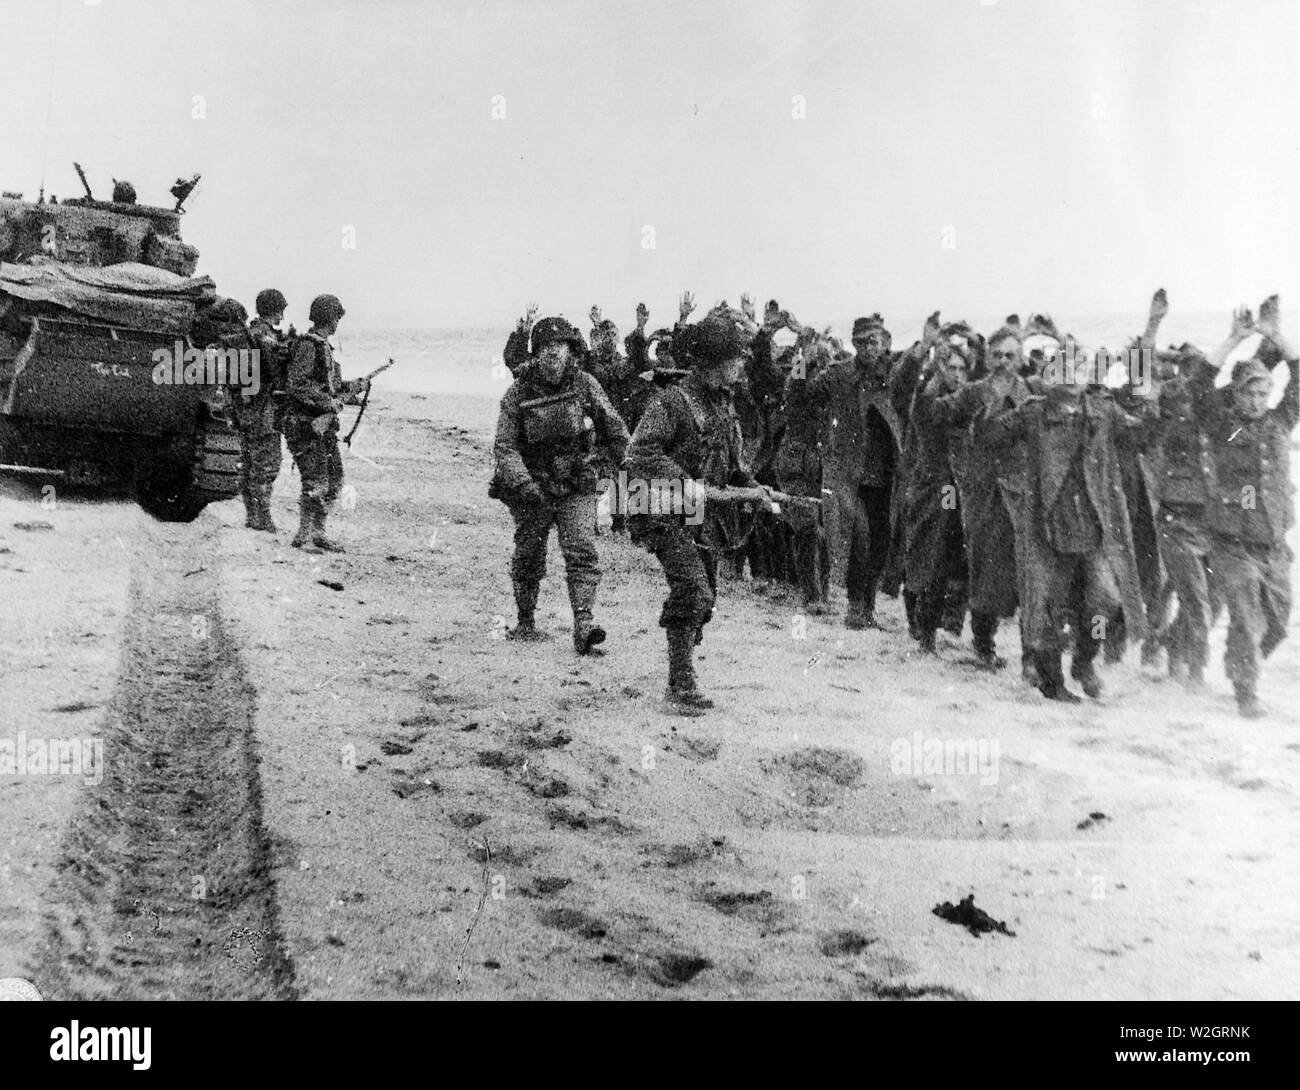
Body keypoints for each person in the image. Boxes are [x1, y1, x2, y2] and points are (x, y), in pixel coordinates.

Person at [983, 347, 1159, 702]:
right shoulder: (1034, 411)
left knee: (1105, 601)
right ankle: (1053, 684)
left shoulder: (1103, 409)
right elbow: (991, 438)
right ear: (1050, 374)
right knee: (1047, 605)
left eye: (1078, 366)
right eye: (1062, 367)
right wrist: (998, 394)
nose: (1070, 373)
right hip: (1048, 527)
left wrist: (1145, 393)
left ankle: (1084, 660)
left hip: (1093, 527)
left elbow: (1141, 437)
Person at [625, 314, 769, 713]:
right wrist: (685, 481)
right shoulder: (673, 402)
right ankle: (680, 684)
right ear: (713, 363)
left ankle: (683, 664)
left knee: (706, 599)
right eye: (735, 359)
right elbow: (639, 453)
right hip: (660, 510)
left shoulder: (724, 403)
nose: (741, 367)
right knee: (693, 589)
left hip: (701, 514)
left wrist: (753, 487)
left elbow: (732, 463)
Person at [490, 316, 630, 654]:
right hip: (532, 488)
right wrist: (524, 484)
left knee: (582, 550)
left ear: (570, 351)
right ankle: (525, 622)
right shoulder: (518, 393)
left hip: (576, 484)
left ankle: (584, 624)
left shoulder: (585, 385)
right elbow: (505, 446)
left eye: (560, 346)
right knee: (528, 555)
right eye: (546, 347)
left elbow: (615, 429)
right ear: (536, 353)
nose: (553, 353)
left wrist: (615, 465)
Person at [1190, 299, 1297, 717]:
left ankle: (1240, 662)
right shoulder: (1223, 424)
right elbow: (1199, 386)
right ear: (1236, 394)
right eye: (1249, 392)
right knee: (1247, 619)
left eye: (1262, 392)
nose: (1256, 399)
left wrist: (1275, 336)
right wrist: (1235, 339)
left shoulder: (1279, 422)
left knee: (1278, 624)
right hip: (1232, 543)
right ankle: (1245, 691)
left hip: (1273, 542)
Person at [935, 325, 1040, 672]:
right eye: (997, 355)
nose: (1003, 362)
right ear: (987, 357)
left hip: (1020, 495)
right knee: (984, 573)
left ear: (1021, 358)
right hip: (983, 495)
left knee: (1029, 578)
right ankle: (983, 645)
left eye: (1010, 356)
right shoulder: (973, 392)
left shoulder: (1030, 393)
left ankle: (1032, 657)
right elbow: (936, 413)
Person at [796, 313, 904, 628]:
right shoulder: (838, 375)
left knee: (881, 542)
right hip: (848, 476)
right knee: (859, 538)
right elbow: (802, 393)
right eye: (862, 342)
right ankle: (856, 607)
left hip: (886, 476)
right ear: (855, 344)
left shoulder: (895, 375)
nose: (869, 348)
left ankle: (866, 607)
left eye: (874, 341)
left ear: (886, 342)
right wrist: (802, 357)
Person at [902, 331, 972, 653]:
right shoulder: (930, 398)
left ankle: (949, 625)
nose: (957, 374)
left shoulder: (967, 398)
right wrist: (931, 357)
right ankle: (924, 627)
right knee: (932, 555)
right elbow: (923, 403)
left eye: (961, 369)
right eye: (951, 368)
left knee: (958, 557)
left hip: (959, 488)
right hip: (938, 487)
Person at [283, 294, 367, 553]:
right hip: (306, 425)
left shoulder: (323, 347)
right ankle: (304, 535)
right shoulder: (309, 346)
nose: (337, 322)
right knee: (316, 480)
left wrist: (354, 387)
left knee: (334, 479)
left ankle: (318, 533)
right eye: (336, 317)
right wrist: (327, 404)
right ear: (329, 318)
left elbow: (331, 387)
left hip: (322, 427)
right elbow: (297, 384)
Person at [236, 288, 291, 533]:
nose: (282, 317)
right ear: (275, 310)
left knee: (251, 463)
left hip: (247, 407)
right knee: (267, 464)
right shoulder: (264, 336)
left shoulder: (249, 333)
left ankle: (253, 515)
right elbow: (276, 370)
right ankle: (262, 517)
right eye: (281, 311)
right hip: (263, 409)